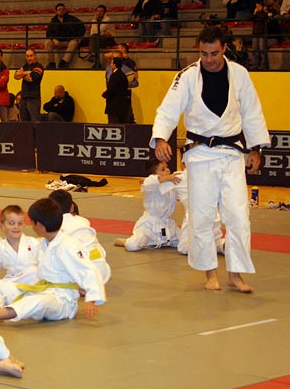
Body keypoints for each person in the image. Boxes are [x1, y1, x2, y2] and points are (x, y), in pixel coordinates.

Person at [151, 26, 270, 292]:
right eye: (204, 54)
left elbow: (252, 113)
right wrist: (161, 138)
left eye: (214, 53)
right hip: (200, 154)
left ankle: (235, 275)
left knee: (239, 215)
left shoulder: (239, 74)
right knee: (202, 216)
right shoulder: (188, 76)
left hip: (231, 154)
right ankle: (210, 274)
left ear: (224, 48)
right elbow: (168, 109)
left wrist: (256, 149)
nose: (209, 59)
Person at [0, 198, 107, 324]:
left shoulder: (67, 245)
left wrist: (92, 299)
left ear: (39, 225)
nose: (31, 226)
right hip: (42, 289)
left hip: (62, 301)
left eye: (32, 223)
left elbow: (88, 269)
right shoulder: (44, 242)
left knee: (36, 301)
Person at [114, 159, 181, 252]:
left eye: (167, 167)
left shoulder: (172, 184)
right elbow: (152, 181)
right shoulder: (148, 184)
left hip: (167, 225)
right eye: (163, 169)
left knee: (186, 244)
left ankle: (155, 242)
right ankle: (125, 241)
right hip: (149, 226)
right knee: (132, 245)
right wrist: (168, 177)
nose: (167, 170)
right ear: (154, 174)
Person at [48, 190, 111, 285]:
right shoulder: (83, 221)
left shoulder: (53, 225)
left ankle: (82, 285)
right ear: (72, 207)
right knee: (93, 245)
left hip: (79, 277)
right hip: (102, 273)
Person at [43, 3, 85, 70]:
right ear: (56, 11)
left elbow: (82, 27)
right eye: (59, 10)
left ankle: (64, 62)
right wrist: (53, 39)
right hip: (57, 42)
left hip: (68, 41)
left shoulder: (71, 18)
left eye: (63, 9)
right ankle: (51, 63)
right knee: (47, 42)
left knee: (74, 43)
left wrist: (77, 36)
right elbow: (48, 33)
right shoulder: (53, 21)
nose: (61, 11)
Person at [14, 49, 44, 122]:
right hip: (23, 98)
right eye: (27, 56)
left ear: (35, 56)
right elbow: (15, 76)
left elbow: (31, 78)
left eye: (31, 56)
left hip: (33, 98)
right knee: (24, 122)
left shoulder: (39, 66)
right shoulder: (25, 66)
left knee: (34, 121)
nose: (29, 58)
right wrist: (27, 73)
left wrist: (22, 74)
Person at [102, 57, 129, 123]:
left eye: (112, 63)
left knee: (114, 124)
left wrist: (105, 94)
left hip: (114, 106)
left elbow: (111, 89)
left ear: (114, 65)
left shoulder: (114, 75)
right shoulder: (123, 75)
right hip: (122, 106)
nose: (111, 65)